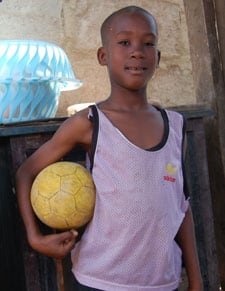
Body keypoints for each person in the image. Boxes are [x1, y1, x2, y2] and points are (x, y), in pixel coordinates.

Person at [16, 5, 203, 291]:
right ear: (103, 56)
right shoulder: (90, 123)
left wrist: (196, 280)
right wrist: (35, 237)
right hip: (99, 281)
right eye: (124, 42)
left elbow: (180, 205)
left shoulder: (176, 126)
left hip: (162, 282)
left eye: (148, 43)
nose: (137, 51)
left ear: (158, 56)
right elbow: (26, 172)